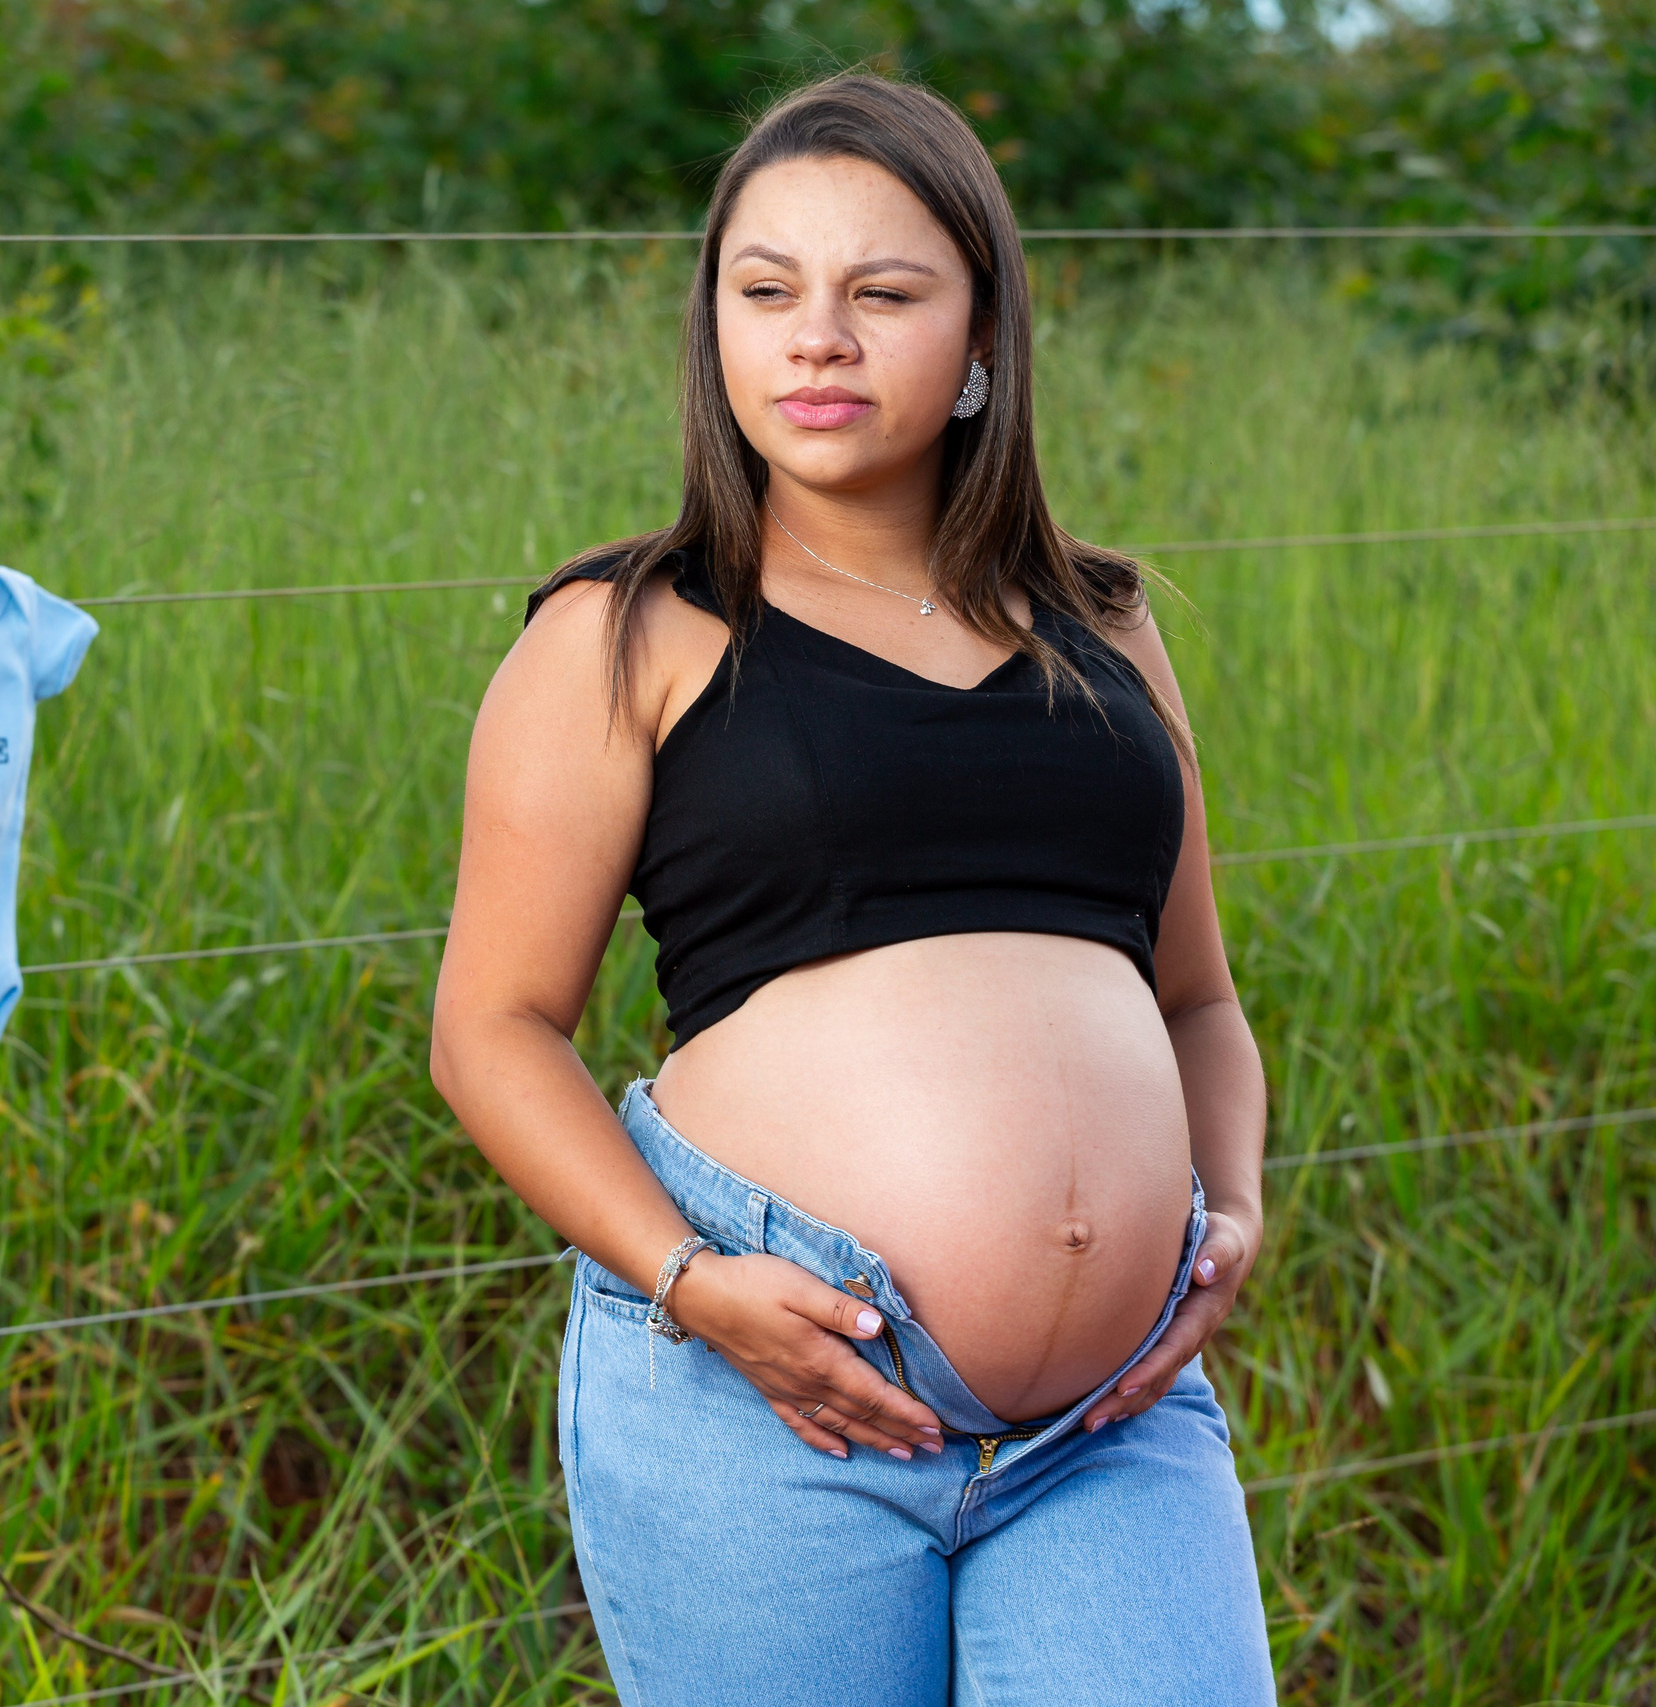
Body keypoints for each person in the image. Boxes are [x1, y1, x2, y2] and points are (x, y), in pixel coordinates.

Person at [429, 71, 1273, 1705]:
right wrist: (691, 1284)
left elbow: (1197, 1000)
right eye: (768, 292)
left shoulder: (1104, 627)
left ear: (982, 346)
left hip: (1111, 1424)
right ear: (717, 333)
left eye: (883, 294)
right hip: (764, 1384)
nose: (817, 336)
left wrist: (1229, 1213)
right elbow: (494, 1027)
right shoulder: (625, 633)